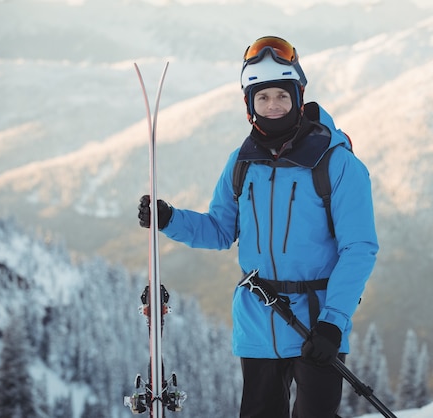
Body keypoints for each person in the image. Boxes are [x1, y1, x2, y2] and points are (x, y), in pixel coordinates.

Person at [138, 35, 379, 418]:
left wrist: (334, 322)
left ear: (298, 97)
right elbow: (220, 230)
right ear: (249, 104)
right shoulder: (242, 162)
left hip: (316, 324)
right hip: (257, 318)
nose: (273, 106)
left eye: (282, 96)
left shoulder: (338, 163)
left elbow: (360, 247)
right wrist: (170, 219)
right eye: (262, 97)